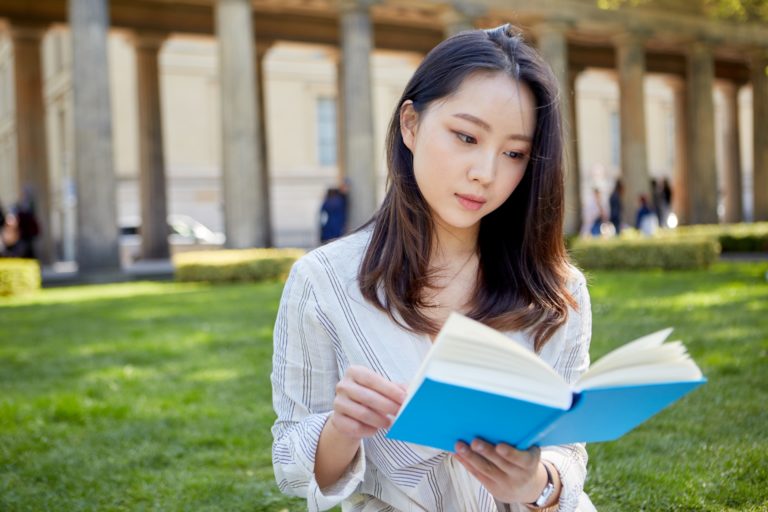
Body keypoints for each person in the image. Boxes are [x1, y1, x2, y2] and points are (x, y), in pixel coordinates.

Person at [272, 25, 595, 512]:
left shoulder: (557, 290)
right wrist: (341, 427)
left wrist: (536, 482)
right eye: (466, 136)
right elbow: (292, 463)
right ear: (411, 125)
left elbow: (568, 452)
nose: (485, 172)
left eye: (514, 154)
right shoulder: (323, 282)